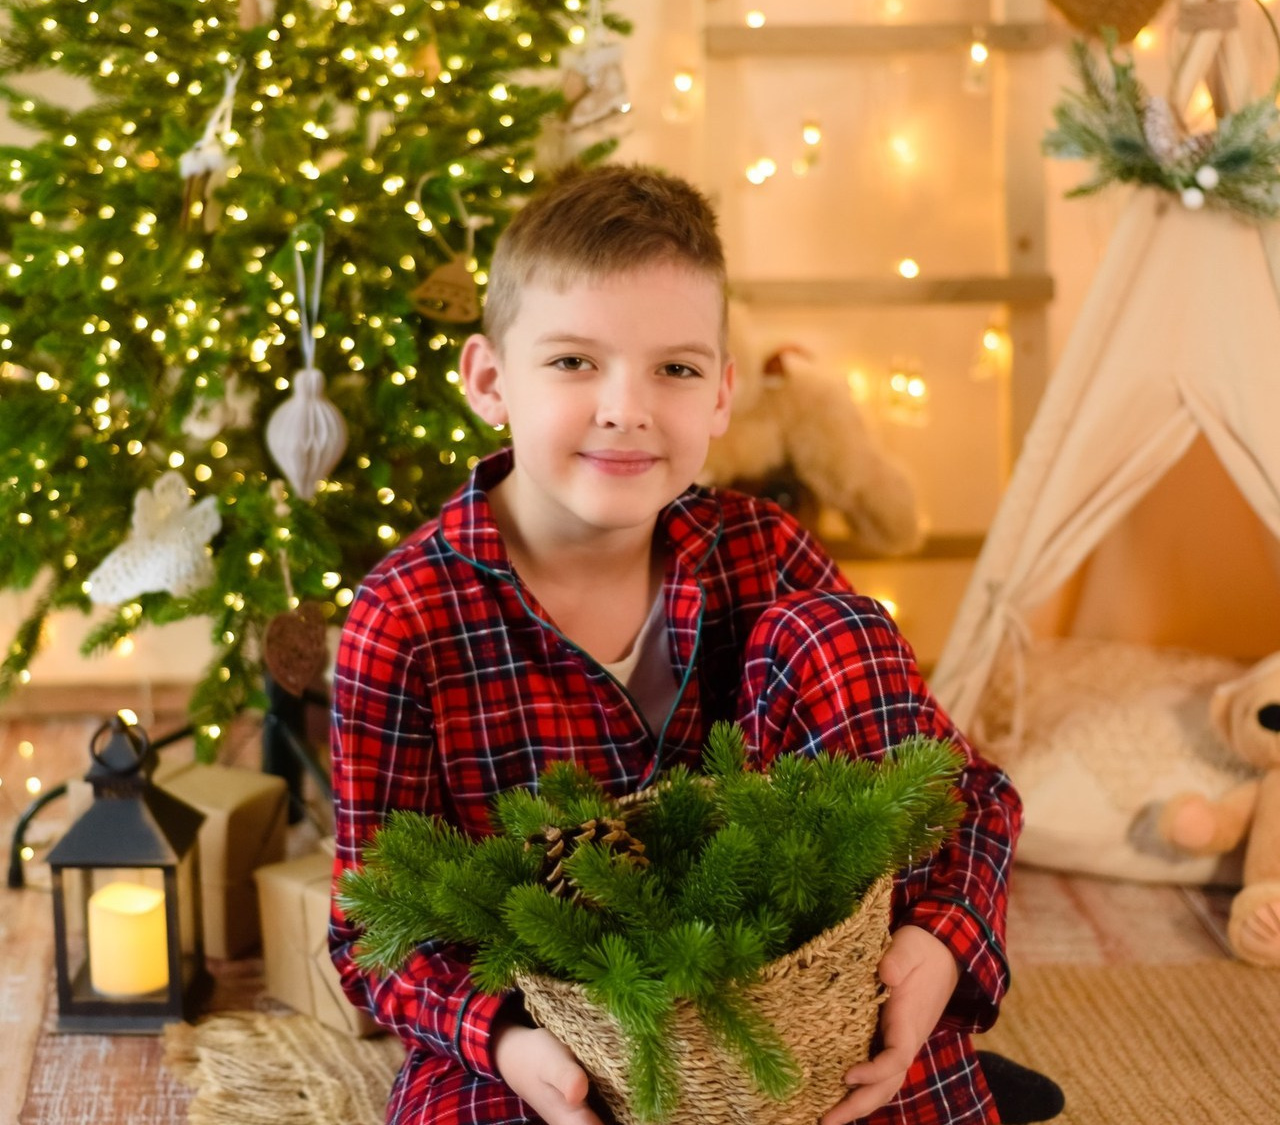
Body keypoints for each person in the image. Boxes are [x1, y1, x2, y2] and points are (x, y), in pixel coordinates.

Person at [329, 164, 1054, 1125]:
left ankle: (923, 1052)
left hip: (791, 1011)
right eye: (574, 362)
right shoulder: (404, 617)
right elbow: (370, 928)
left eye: (674, 369)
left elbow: (968, 795)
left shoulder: (765, 551)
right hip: (558, 1033)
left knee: (839, 629)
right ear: (489, 380)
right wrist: (506, 1042)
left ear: (721, 395)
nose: (627, 408)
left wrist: (937, 947)